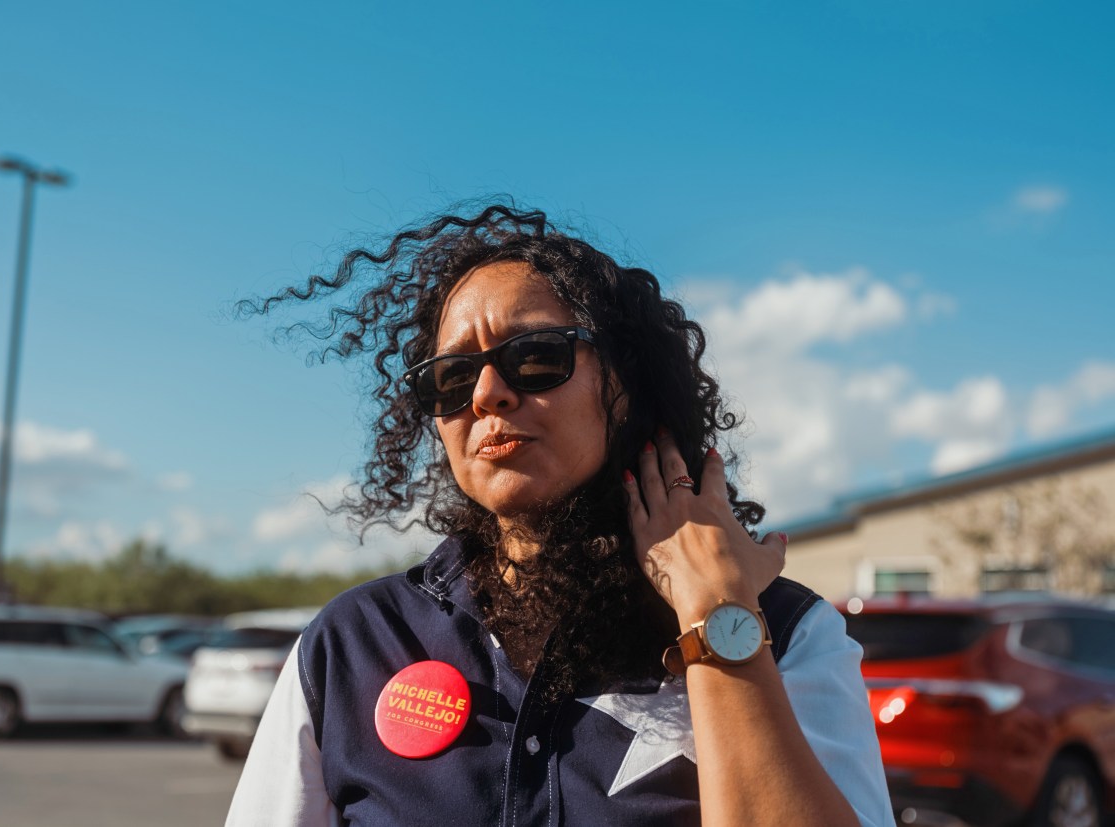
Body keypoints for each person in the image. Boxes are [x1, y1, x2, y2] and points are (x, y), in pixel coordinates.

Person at [226, 204, 894, 826]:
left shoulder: (789, 634)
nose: (488, 393)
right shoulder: (350, 645)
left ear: (624, 385)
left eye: (536, 356)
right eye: (452, 378)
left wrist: (718, 615)